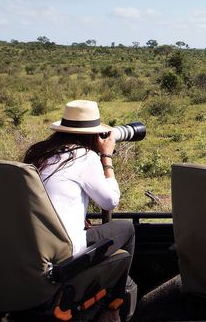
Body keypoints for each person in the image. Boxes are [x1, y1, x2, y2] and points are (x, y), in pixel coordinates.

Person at [23, 100, 135, 321]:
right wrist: (106, 157)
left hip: (32, 246)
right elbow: (110, 201)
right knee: (128, 229)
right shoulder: (84, 156)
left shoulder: (38, 153)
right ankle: (114, 304)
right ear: (94, 135)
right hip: (63, 251)